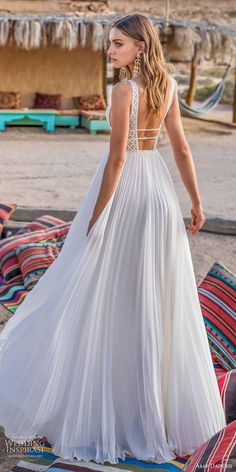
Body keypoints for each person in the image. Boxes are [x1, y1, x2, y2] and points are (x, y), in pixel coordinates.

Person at [0, 13, 226, 466]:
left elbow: (118, 159)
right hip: (159, 194)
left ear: (141, 46)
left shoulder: (125, 91)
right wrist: (196, 203)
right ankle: (147, 409)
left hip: (127, 195)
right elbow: (180, 148)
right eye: (109, 43)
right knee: (152, 295)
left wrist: (96, 216)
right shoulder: (168, 88)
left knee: (103, 288)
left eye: (118, 43)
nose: (111, 50)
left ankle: (110, 403)